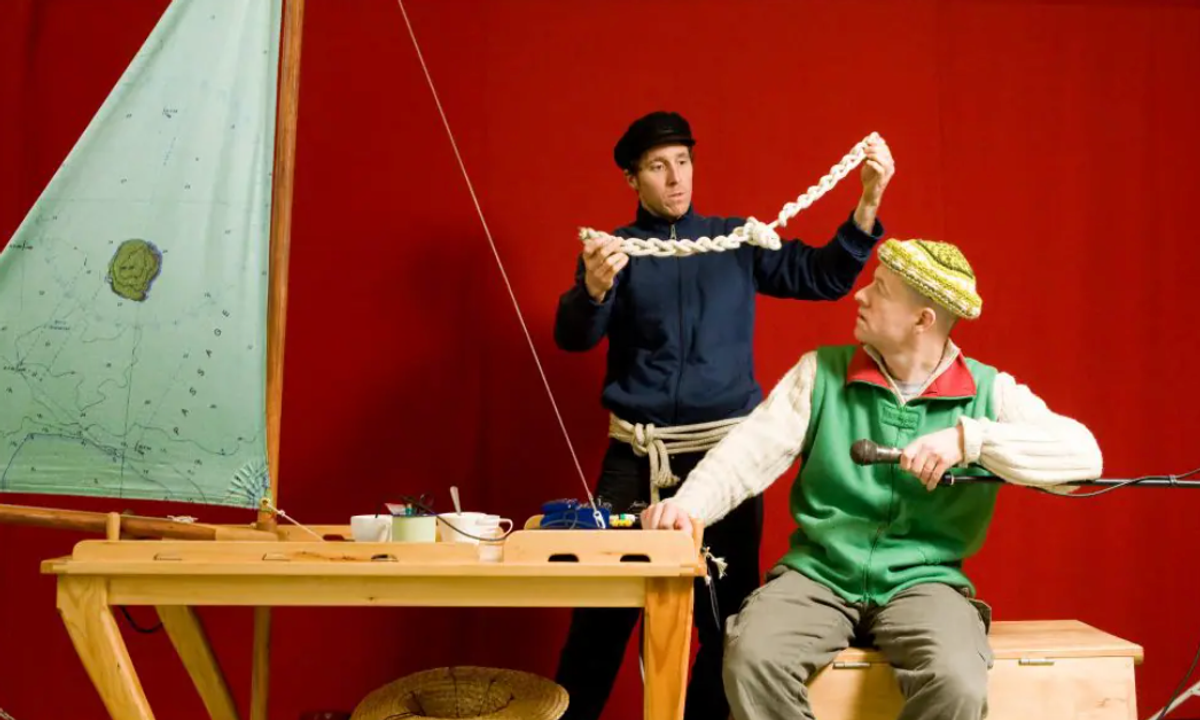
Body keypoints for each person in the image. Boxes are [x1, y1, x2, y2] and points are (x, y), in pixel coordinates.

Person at [640, 238, 1103, 720]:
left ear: (922, 320)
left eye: (879, 289)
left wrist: (971, 440)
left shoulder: (990, 393)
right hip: (818, 575)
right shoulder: (820, 372)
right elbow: (746, 452)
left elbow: (1084, 459)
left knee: (957, 680)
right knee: (751, 659)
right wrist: (687, 507)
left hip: (925, 584)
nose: (859, 295)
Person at [552, 110, 895, 720]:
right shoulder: (613, 254)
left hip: (726, 461)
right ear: (634, 180)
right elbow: (574, 337)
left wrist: (867, 203)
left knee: (728, 618)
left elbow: (822, 278)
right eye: (658, 166)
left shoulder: (738, 241)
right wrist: (594, 291)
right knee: (602, 616)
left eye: (683, 161)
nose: (675, 177)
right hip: (636, 459)